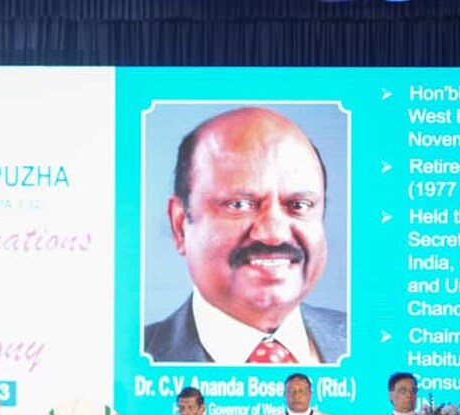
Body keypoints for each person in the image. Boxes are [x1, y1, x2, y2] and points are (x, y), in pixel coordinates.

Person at [144, 107, 346, 364]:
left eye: (299, 205)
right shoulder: (122, 356)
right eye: (239, 205)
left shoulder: (365, 343)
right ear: (180, 224)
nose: (273, 234)